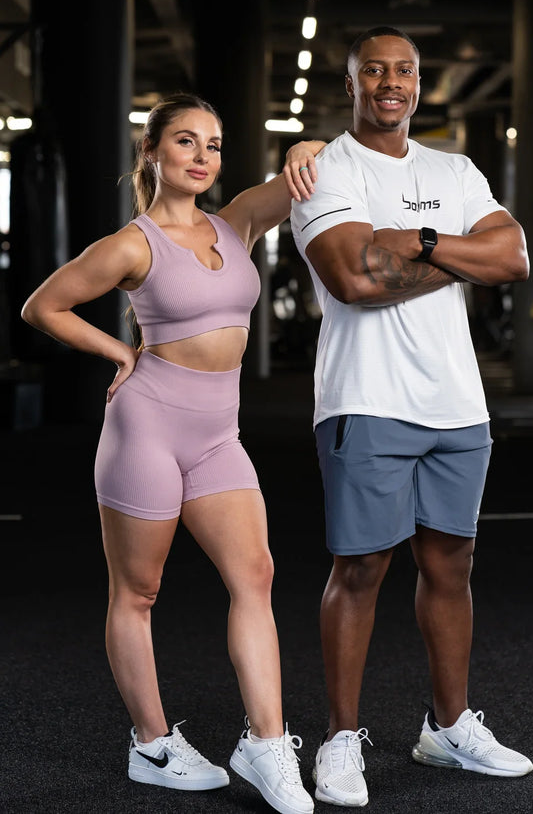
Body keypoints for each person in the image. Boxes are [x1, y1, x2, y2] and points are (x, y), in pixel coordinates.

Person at [21, 92, 322, 814]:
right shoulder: (132, 243)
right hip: (147, 425)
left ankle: (267, 743)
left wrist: (304, 149)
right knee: (139, 593)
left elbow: (315, 166)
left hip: (220, 432)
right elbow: (42, 306)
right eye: (185, 141)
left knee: (255, 573)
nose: (202, 156)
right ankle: (152, 744)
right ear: (152, 151)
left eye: (214, 145)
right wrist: (118, 349)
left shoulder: (239, 220)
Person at [284, 27, 533, 807]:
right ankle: (339, 739)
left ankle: (448, 726)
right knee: (360, 569)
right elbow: (355, 277)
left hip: (457, 404)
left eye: (405, 70)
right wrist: (461, 253)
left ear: (420, 82)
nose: (391, 82)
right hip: (367, 397)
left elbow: (515, 258)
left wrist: (417, 240)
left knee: (450, 565)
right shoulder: (324, 169)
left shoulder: (454, 168)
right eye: (374, 70)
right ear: (351, 81)